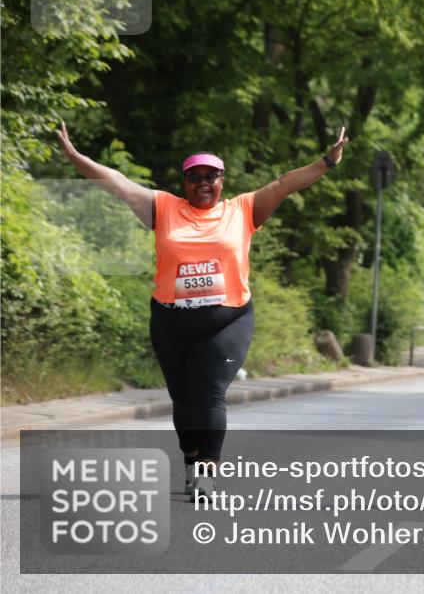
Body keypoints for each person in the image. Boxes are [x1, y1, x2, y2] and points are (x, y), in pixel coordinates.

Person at [56, 121, 349, 500]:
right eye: (195, 177)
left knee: (209, 394)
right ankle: (192, 463)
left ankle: (208, 472)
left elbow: (283, 184)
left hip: (227, 318)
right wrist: (76, 157)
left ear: (222, 180)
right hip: (170, 319)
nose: (203, 184)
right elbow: (118, 184)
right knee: (182, 398)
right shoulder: (163, 208)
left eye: (211, 177)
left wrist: (327, 160)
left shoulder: (242, 210)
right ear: (185, 182)